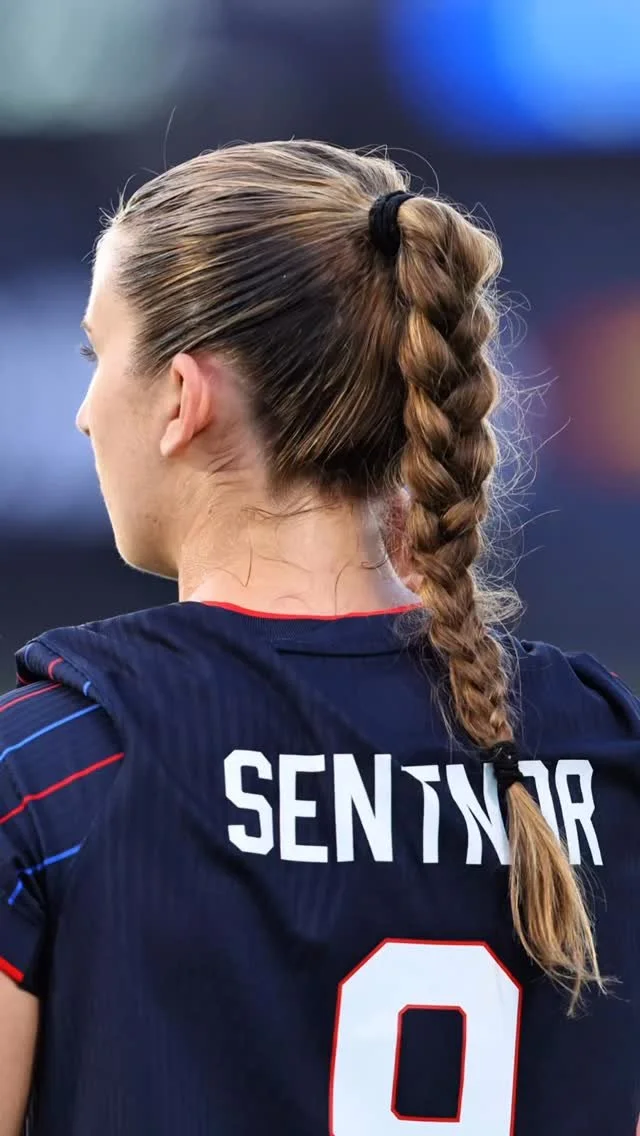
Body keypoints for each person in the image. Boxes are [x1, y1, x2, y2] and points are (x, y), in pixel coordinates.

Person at [0, 140, 638, 1136]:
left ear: (183, 398)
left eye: (98, 357)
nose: (84, 413)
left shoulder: (52, 767)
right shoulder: (597, 748)